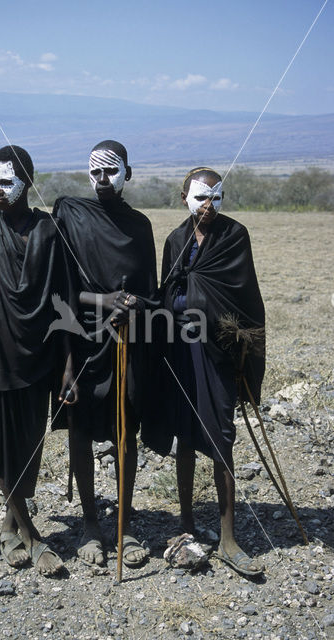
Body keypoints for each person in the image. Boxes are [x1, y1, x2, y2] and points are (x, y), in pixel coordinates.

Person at [0, 145, 72, 576]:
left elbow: (61, 302)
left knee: (28, 445)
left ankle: (8, 527)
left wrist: (65, 367)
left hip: (38, 355)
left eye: (5, 182)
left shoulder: (47, 231)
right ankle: (34, 536)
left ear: (27, 181)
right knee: (3, 447)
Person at [53, 140, 157, 567]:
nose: (102, 179)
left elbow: (150, 292)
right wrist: (105, 300)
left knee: (124, 432)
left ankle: (125, 525)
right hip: (79, 338)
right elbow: (58, 287)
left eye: (111, 171)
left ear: (128, 174)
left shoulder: (140, 224)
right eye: (94, 171)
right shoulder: (70, 214)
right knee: (79, 430)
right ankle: (91, 523)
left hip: (126, 341)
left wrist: (130, 306)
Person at [159, 167, 265, 576]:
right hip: (180, 352)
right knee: (184, 434)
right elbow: (167, 292)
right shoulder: (174, 241)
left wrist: (240, 352)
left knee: (222, 437)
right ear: (184, 196)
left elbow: (244, 299)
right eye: (201, 197)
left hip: (219, 353)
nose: (208, 206)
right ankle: (186, 523)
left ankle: (227, 537)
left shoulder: (234, 237)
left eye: (216, 198)